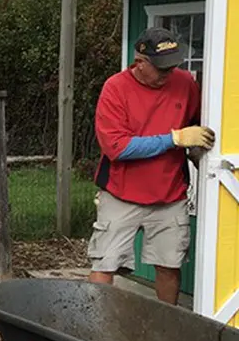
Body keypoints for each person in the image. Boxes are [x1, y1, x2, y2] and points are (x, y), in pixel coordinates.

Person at [87, 27, 215, 304]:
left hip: (170, 195)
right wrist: (174, 139)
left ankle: (166, 329)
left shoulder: (185, 83)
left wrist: (196, 147)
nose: (168, 74)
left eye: (172, 67)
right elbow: (117, 147)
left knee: (169, 265)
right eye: (161, 69)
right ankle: (92, 331)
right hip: (120, 194)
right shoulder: (115, 88)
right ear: (140, 63)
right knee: (104, 264)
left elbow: (197, 126)